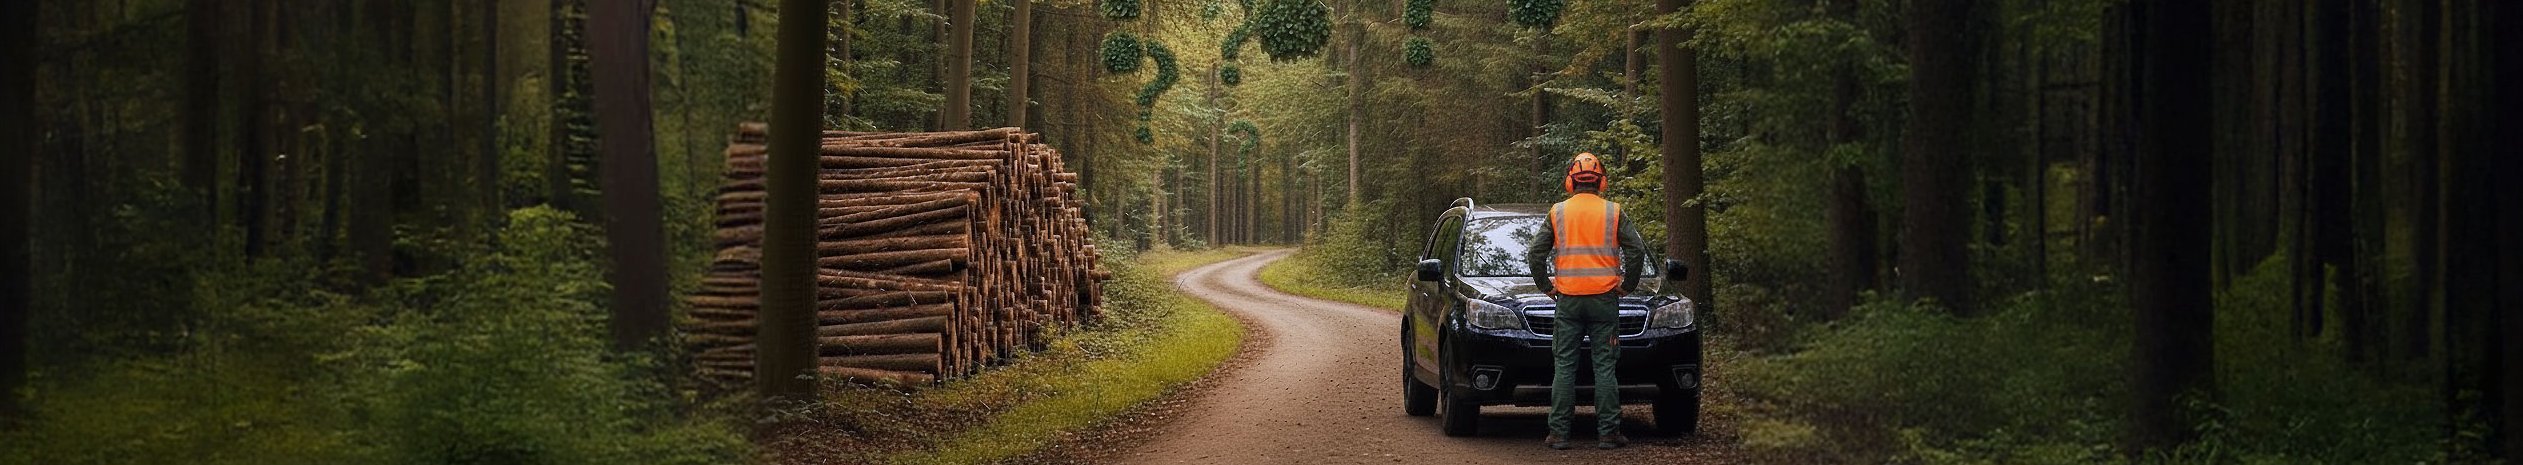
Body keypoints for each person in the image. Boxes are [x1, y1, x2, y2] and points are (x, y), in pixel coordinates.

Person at [1524, 152, 1648, 450]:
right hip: (1605, 300)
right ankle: (1608, 434)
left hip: (1567, 301)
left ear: (1570, 181)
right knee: (1604, 366)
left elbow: (1534, 253)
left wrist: (1546, 286)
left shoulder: (1558, 212)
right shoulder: (1614, 212)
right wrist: (1627, 285)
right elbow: (1637, 251)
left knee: (1564, 366)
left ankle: (1559, 434)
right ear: (1601, 181)